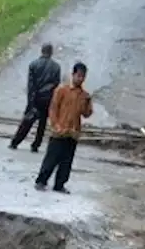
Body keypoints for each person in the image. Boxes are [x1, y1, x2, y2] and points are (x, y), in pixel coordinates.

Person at [34, 63, 92, 194]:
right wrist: (55, 125)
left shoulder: (84, 95)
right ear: (73, 75)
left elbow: (86, 114)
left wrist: (88, 103)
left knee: (67, 161)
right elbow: (53, 109)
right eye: (78, 76)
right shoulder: (62, 90)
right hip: (59, 131)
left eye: (83, 76)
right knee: (51, 158)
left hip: (73, 132)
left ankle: (59, 184)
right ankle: (41, 181)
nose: (80, 79)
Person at [10, 44, 62, 152]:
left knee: (27, 122)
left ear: (42, 51)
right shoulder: (56, 67)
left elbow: (31, 86)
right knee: (42, 125)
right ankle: (36, 145)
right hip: (48, 99)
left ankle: (15, 142)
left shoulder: (33, 64)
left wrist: (30, 102)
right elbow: (56, 85)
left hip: (36, 98)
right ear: (51, 52)